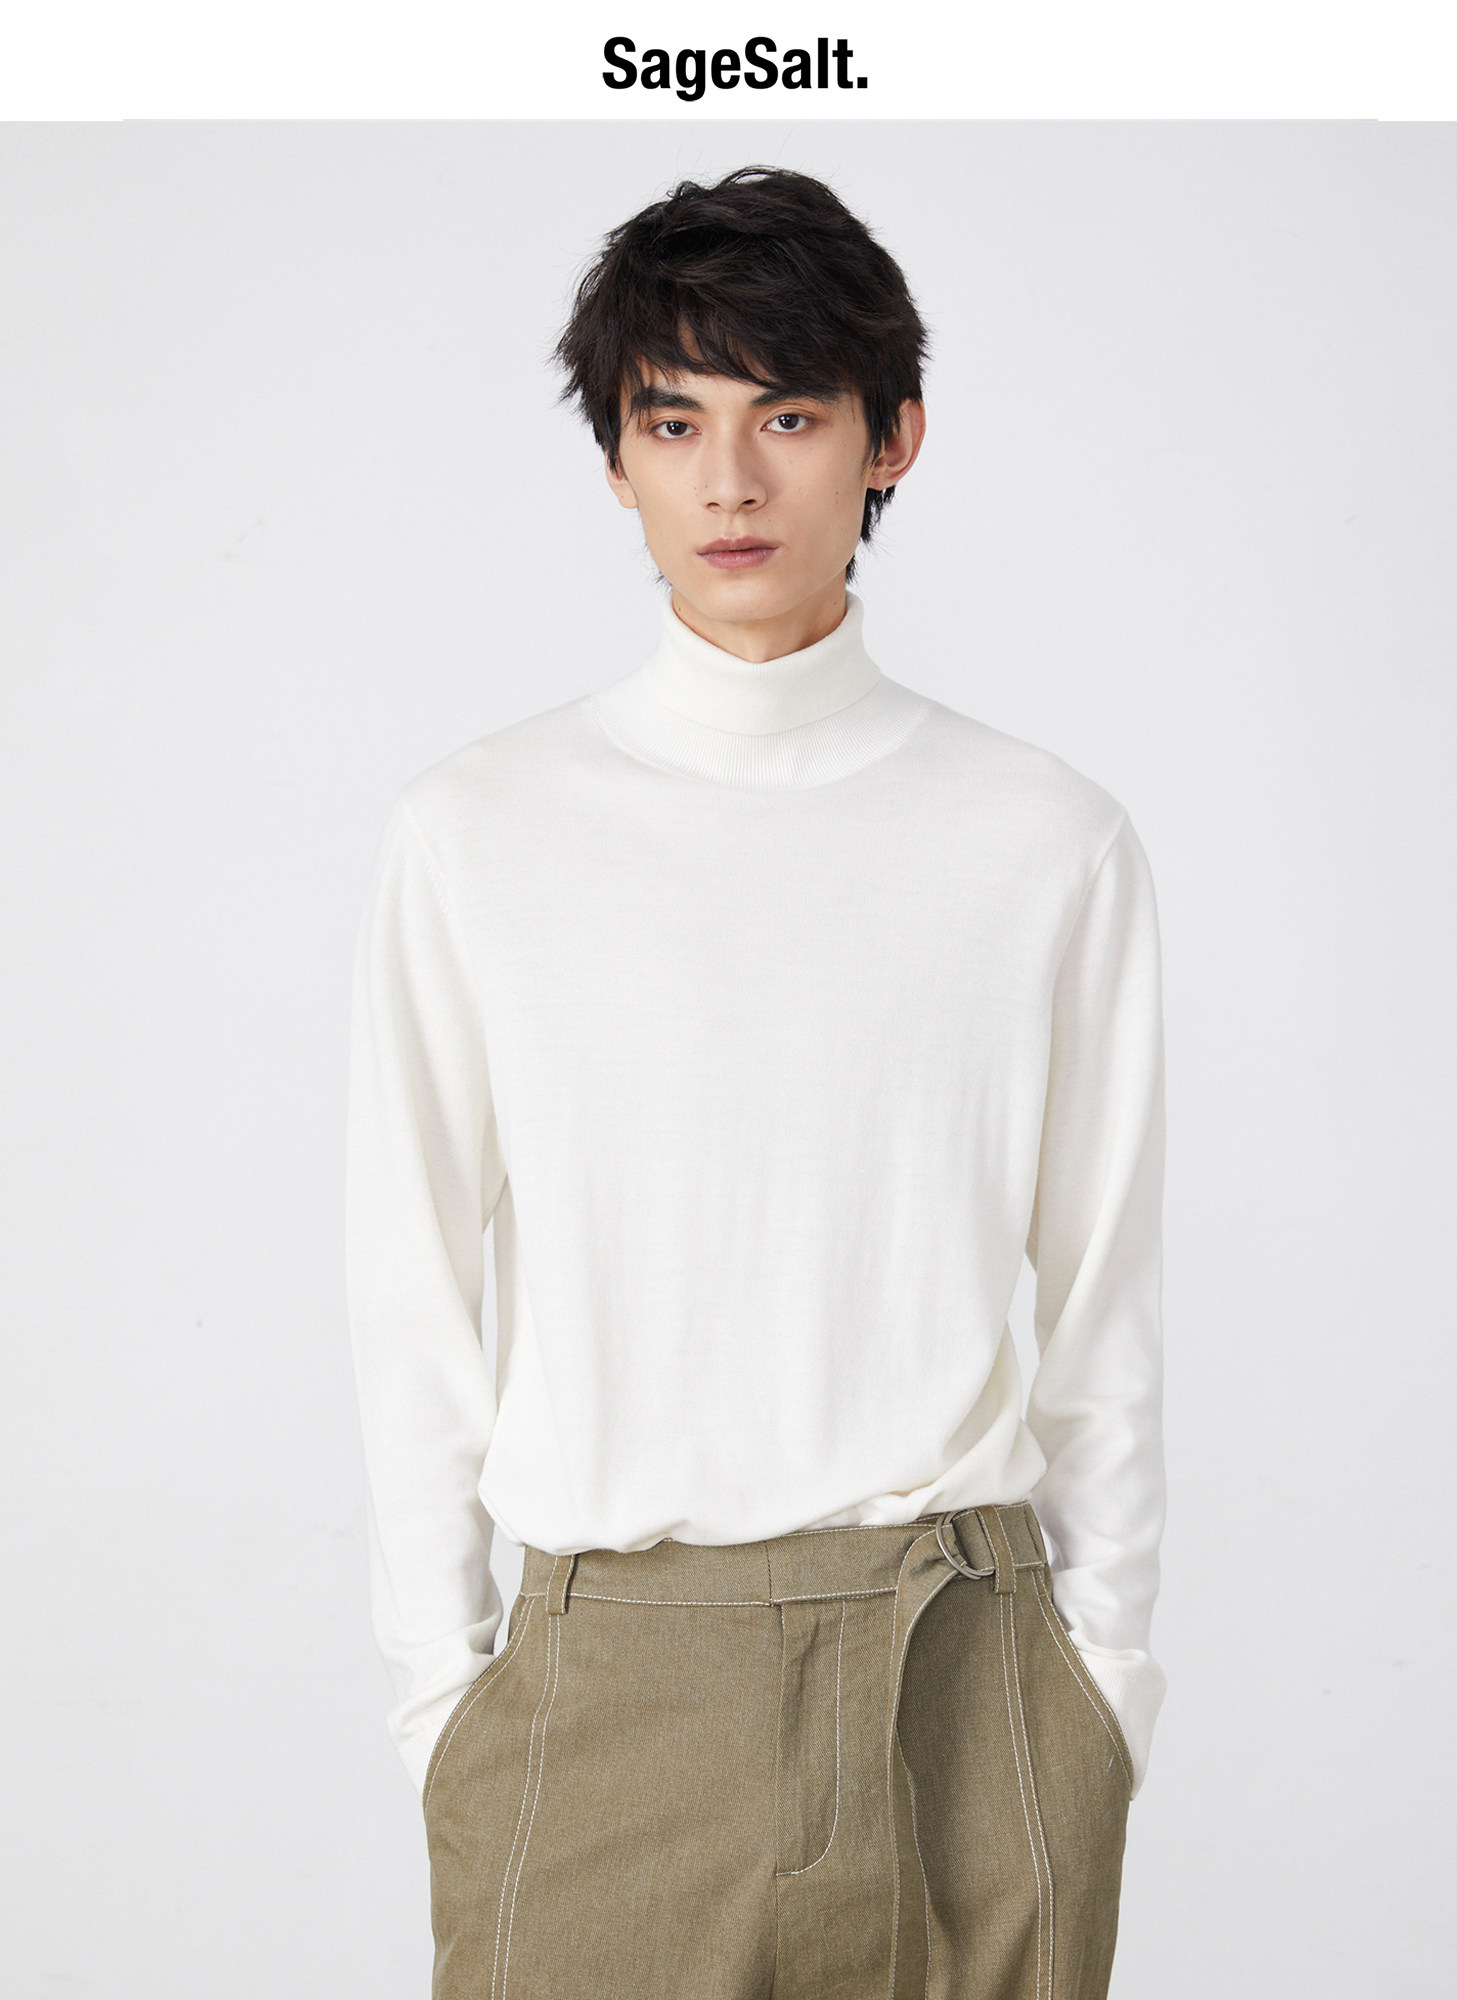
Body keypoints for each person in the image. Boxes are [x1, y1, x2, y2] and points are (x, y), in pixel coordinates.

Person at [346, 164, 1166, 2000]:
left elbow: (1106, 1296)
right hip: (602, 1687)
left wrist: (1100, 1684)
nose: (730, 481)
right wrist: (442, 1700)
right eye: (674, 422)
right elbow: (412, 1293)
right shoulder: (480, 832)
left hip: (963, 1671)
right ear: (616, 460)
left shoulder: (1046, 839)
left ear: (893, 440)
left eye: (789, 416)